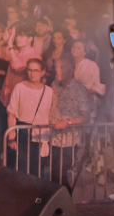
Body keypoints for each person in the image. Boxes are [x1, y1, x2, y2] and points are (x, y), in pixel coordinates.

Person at [6, 58, 52, 177]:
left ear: (42, 72)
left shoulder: (49, 92)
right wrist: (12, 137)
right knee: (21, 169)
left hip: (40, 135)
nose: (33, 73)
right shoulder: (19, 88)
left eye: (36, 70)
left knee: (37, 171)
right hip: (23, 132)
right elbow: (12, 113)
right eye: (30, 70)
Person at [48, 55, 89, 189]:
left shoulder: (80, 90)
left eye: (62, 67)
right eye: (56, 67)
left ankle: (65, 205)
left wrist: (68, 121)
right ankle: (60, 206)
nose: (57, 70)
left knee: (60, 174)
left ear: (71, 70)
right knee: (54, 176)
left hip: (69, 141)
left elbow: (86, 117)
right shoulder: (54, 85)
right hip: (52, 138)